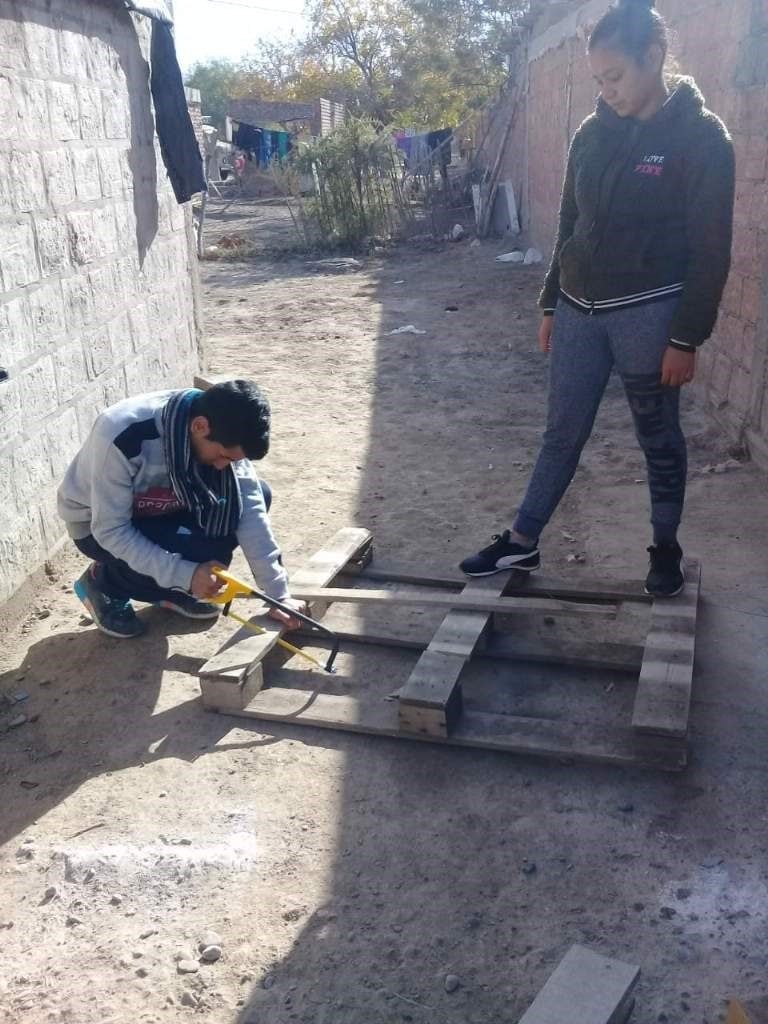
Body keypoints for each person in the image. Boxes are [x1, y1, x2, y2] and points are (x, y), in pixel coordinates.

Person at [460, 0, 735, 597]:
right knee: (561, 430)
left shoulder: (701, 138)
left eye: (616, 77)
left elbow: (711, 251)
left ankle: (665, 549)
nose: (606, 91)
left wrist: (687, 337)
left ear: (654, 59)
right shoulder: (592, 133)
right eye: (598, 80)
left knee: (657, 436)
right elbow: (569, 222)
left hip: (650, 314)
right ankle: (522, 542)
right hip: (581, 310)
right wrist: (551, 300)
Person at [57, 380, 307, 639]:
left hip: (165, 509)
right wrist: (186, 575)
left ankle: (171, 589)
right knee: (196, 555)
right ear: (199, 426)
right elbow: (111, 530)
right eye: (223, 456)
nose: (223, 467)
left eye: (231, 461)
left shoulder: (224, 426)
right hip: (97, 527)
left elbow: (249, 510)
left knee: (250, 501)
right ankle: (104, 582)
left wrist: (279, 596)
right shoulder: (121, 434)